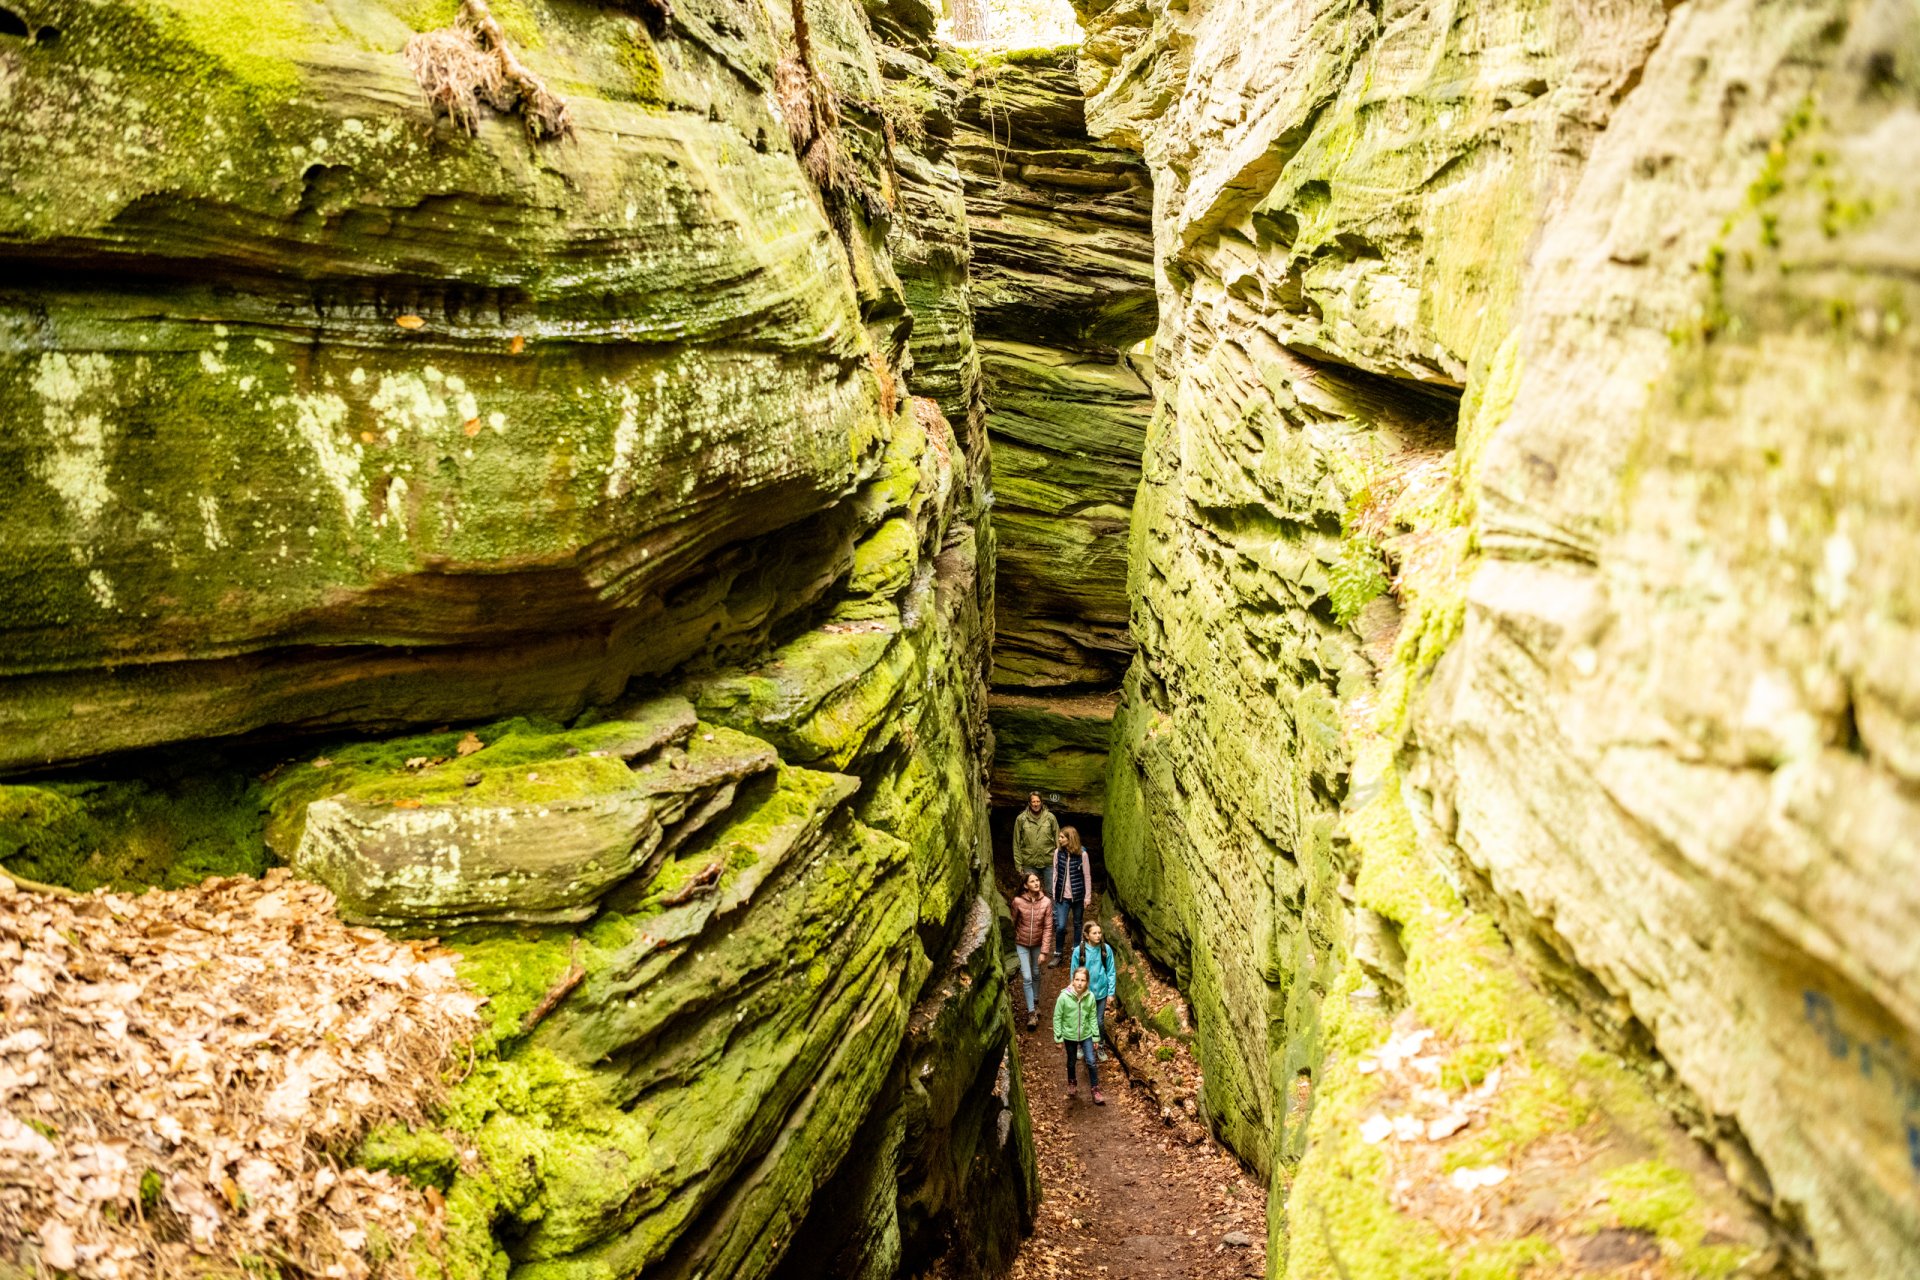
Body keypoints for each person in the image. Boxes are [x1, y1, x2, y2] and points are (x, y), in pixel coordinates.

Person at [1054, 965, 1104, 1104]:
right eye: (1077, 979)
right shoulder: (1063, 997)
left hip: (1086, 1034)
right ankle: (1072, 1082)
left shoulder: (1090, 997)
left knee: (1091, 1061)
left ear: (1087, 982)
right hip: (1069, 1035)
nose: (1080, 983)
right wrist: (1058, 1037)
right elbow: (1057, 1017)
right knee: (1071, 1061)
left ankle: (1095, 1088)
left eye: (1083, 980)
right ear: (1073, 980)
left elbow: (1093, 1018)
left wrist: (1095, 1037)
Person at [1008, 872, 1052, 1031]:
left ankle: (1035, 1001)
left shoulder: (1046, 902)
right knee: (1026, 977)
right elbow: (1012, 922)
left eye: (1037, 880)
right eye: (1032, 881)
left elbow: (1048, 928)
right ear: (1025, 885)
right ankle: (1031, 1012)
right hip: (1021, 944)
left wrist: (1044, 952)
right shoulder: (1017, 901)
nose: (1036, 883)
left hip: (1037, 944)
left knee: (1035, 973)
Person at [1049, 825, 1093, 963]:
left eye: (1062, 837)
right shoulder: (1058, 852)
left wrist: (1088, 897)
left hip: (1078, 896)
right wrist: (1054, 892)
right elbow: (1055, 872)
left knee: (1077, 924)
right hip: (1062, 896)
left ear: (1070, 839)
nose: (1059, 839)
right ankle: (1058, 954)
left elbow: (1087, 876)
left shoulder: (1082, 854)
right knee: (1061, 926)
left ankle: (1076, 951)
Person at [1071, 921, 1117, 1044]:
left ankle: (1100, 1045)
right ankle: (1081, 1045)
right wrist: (1074, 992)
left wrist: (1111, 993)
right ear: (1086, 935)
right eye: (1094, 933)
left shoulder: (1105, 949)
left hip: (1101, 991)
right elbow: (1073, 973)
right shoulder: (1078, 951)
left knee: (1099, 1021)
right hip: (1084, 992)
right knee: (1083, 1020)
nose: (1098, 935)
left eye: (1099, 933)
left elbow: (1111, 971)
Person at [1012, 792, 1058, 884]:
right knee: (1031, 892)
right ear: (1029, 803)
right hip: (1029, 863)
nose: (1036, 804)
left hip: (1049, 862)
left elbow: (1058, 840)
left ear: (1042, 802)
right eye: (1033, 801)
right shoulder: (1021, 819)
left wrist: (1059, 861)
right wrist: (1018, 865)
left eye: (1038, 801)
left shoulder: (1050, 818)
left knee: (1051, 892)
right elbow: (1016, 843)